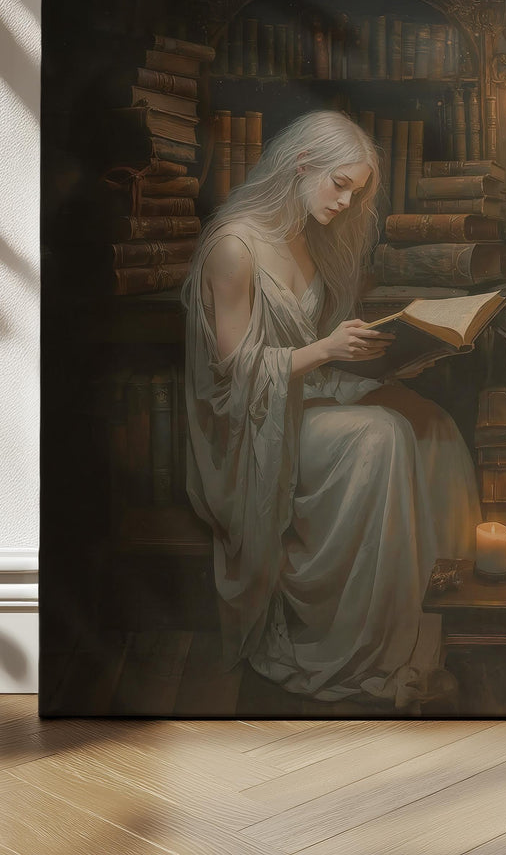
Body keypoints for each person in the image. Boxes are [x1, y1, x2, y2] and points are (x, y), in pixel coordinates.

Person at [182, 110, 481, 708]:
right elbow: (233, 375)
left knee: (430, 421)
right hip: (251, 427)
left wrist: (388, 357)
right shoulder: (233, 249)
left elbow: (310, 355)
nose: (346, 202)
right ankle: (362, 639)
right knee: (381, 434)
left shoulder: (305, 237)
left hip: (304, 396)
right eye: (339, 184)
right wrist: (327, 348)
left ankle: (435, 599)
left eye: (357, 191)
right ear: (301, 167)